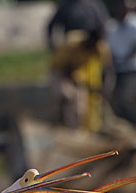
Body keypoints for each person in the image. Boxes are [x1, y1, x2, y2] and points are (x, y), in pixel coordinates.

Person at [46, 0, 112, 131]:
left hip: (76, 71)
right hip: (59, 72)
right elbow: (61, 67)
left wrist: (105, 87)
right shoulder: (72, 42)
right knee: (70, 96)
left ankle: (85, 130)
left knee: (88, 101)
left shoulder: (100, 48)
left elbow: (109, 69)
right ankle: (68, 128)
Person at [106, 0, 136, 123]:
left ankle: (134, 124)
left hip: (133, 69)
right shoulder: (111, 26)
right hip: (116, 68)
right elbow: (108, 48)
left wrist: (122, 59)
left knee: (124, 99)